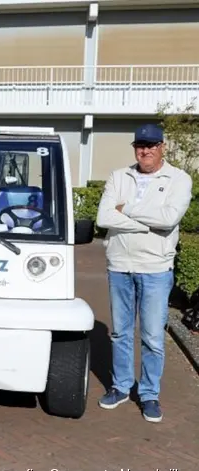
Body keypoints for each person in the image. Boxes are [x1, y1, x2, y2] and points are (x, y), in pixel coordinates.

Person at [95, 124, 192, 423]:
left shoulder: (178, 178)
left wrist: (125, 212)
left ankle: (149, 394)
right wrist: (144, 219)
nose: (145, 150)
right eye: (140, 145)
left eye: (151, 145)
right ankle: (121, 386)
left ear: (162, 146)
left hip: (155, 268)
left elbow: (169, 219)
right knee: (120, 333)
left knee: (152, 336)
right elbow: (103, 216)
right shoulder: (118, 176)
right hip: (120, 265)